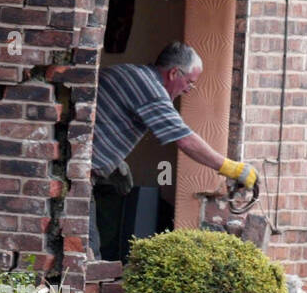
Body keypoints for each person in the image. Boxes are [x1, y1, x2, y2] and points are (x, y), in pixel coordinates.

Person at [90, 41, 258, 257]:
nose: (189, 90)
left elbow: (104, 118)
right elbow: (184, 139)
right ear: (174, 73)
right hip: (75, 173)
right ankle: (67, 290)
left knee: (84, 246)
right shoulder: (150, 89)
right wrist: (231, 168)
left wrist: (111, 162)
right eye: (189, 82)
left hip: (78, 166)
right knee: (86, 253)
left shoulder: (131, 74)